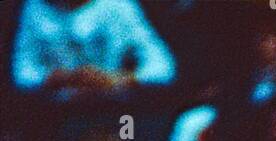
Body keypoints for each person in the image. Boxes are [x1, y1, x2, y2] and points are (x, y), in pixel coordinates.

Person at [11, 0, 176, 92]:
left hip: (115, 111)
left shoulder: (118, 6)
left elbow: (163, 68)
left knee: (128, 130)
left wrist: (119, 80)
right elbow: (21, 73)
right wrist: (59, 78)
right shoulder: (34, 8)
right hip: (58, 115)